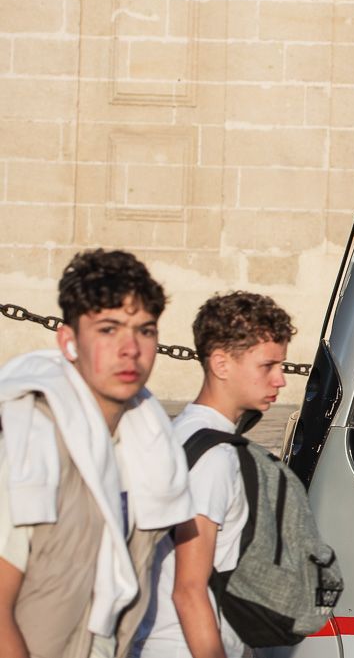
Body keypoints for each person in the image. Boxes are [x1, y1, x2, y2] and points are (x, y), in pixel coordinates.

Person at [0, 249, 192, 658]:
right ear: (68, 341)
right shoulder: (28, 441)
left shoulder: (150, 447)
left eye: (145, 330)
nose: (130, 348)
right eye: (108, 329)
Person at [133, 292, 295, 658]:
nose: (280, 380)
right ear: (221, 364)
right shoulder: (214, 458)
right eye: (267, 366)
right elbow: (189, 590)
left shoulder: (181, 432)